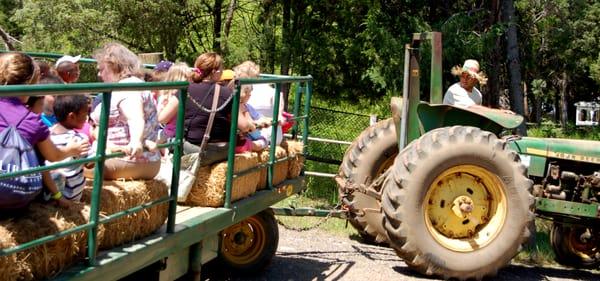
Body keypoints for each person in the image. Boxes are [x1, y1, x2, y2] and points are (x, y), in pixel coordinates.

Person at [0, 52, 89, 209]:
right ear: (32, 83)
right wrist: (71, 149)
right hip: (11, 195)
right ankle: (60, 198)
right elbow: (54, 156)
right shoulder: (32, 120)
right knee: (52, 171)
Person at [87, 42, 161, 180]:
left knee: (65, 168)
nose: (99, 74)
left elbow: (136, 118)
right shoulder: (137, 84)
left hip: (126, 161)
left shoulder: (127, 88)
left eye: (102, 69)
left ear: (115, 67)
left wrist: (136, 142)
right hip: (148, 161)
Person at [184, 52, 252, 165]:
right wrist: (253, 125)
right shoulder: (227, 93)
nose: (223, 71)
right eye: (221, 68)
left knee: (172, 141)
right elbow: (244, 126)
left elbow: (163, 118)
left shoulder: (185, 89)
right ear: (215, 72)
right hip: (221, 151)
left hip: (192, 150)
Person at [46, 95, 91, 202]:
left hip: (47, 194)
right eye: (85, 114)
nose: (86, 118)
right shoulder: (79, 139)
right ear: (72, 116)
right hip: (70, 196)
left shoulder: (46, 135)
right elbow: (91, 163)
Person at [234, 61, 285, 145]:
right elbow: (279, 99)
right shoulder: (274, 91)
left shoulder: (244, 92)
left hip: (258, 135)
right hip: (275, 136)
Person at [156, 63, 190, 141]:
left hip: (171, 133)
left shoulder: (168, 95)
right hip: (183, 131)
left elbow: (161, 119)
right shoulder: (189, 93)